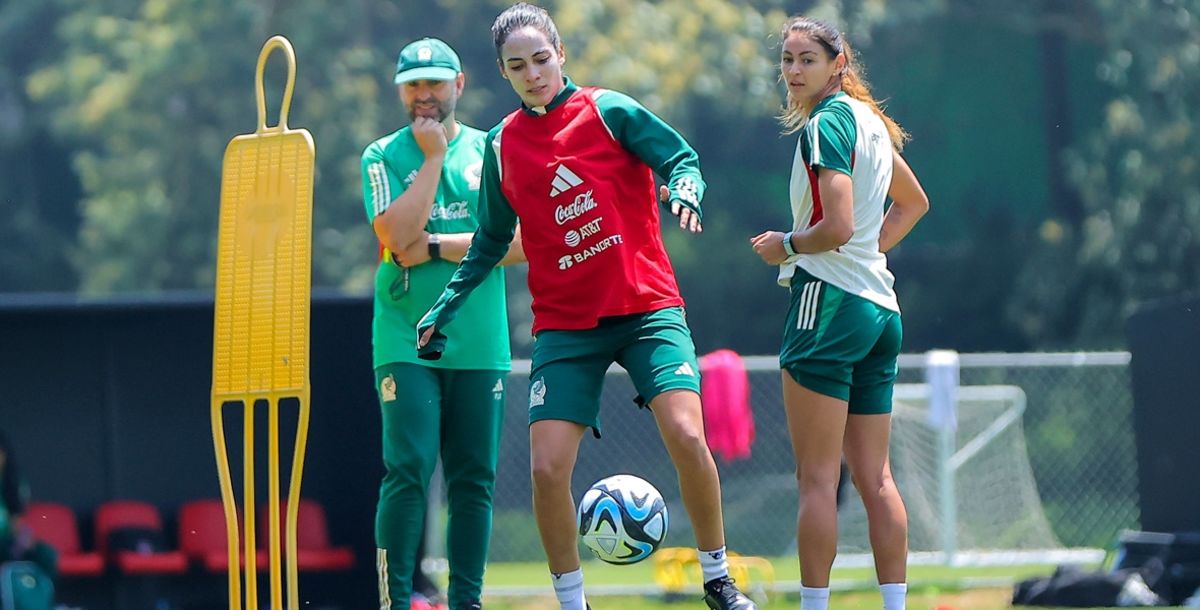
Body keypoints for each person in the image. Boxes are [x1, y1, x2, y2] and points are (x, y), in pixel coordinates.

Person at [417, 4, 757, 610]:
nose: (532, 73)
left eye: (541, 59)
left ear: (561, 53)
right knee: (547, 471)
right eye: (517, 66)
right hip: (566, 328)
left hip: (647, 309)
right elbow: (493, 239)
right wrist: (445, 304)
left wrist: (684, 188)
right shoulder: (502, 146)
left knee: (686, 433)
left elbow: (680, 158)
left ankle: (717, 580)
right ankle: (573, 601)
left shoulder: (609, 110)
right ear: (503, 71)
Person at [750, 16, 930, 610]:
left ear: (838, 63)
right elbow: (914, 204)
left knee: (818, 480)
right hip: (881, 309)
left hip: (826, 304)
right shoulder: (871, 123)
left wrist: (787, 245)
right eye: (788, 60)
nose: (795, 70)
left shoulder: (828, 123)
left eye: (808, 59)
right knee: (875, 479)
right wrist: (864, 256)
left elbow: (838, 227)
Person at [361, 36, 526, 610]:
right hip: (406, 337)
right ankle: (396, 599)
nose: (423, 96)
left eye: (434, 83)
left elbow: (519, 243)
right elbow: (392, 236)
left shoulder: (493, 150)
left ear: (459, 85)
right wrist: (431, 160)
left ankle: (468, 603)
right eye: (413, 86)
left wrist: (434, 245)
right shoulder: (382, 155)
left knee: (473, 478)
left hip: (478, 340)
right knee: (407, 468)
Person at [0, 431, 58, 581]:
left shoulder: (13, 484)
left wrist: (23, 539)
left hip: (8, 543)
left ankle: (43, 600)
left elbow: (16, 523)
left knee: (45, 554)